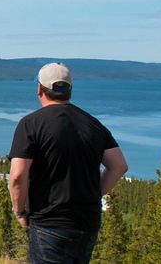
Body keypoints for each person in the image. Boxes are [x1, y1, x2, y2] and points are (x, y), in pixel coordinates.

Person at [8, 62, 128, 263]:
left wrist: (20, 211)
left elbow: (18, 176)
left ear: (39, 89)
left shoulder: (31, 124)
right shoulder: (92, 124)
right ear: (70, 89)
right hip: (87, 223)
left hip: (49, 223)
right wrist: (94, 193)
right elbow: (118, 166)